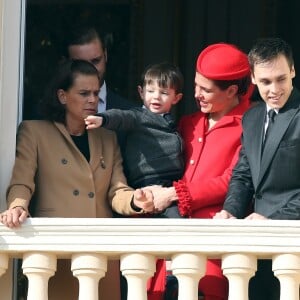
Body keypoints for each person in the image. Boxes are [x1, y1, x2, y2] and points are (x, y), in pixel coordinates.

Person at [0, 59, 154, 300]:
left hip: (100, 255)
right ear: (62, 96)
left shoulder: (107, 137)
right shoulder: (34, 131)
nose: (93, 100)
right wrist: (17, 206)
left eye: (95, 93)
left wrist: (136, 200)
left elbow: (117, 191)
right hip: (56, 252)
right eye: (84, 93)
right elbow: (22, 181)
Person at [145, 43, 253, 300]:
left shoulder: (250, 124)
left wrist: (174, 194)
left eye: (205, 89)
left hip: (213, 244)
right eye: (195, 85)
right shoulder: (187, 123)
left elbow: (233, 180)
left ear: (232, 90)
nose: (197, 94)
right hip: (170, 243)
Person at [214, 37, 300, 299]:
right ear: (252, 78)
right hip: (257, 247)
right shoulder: (251, 118)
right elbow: (244, 174)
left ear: (293, 70)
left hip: (293, 243)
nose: (274, 89)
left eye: (281, 79)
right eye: (265, 81)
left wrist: (274, 221)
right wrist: (230, 210)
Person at [85, 62, 184, 218]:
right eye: (151, 91)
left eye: (164, 93)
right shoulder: (139, 116)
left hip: (170, 187)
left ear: (176, 98)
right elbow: (122, 117)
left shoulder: (173, 124)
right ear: (141, 92)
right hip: (146, 185)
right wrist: (102, 119)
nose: (156, 96)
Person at [65, 25, 134, 112]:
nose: (90, 70)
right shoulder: (46, 115)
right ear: (67, 64)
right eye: (81, 64)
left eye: (95, 61)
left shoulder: (131, 114)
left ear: (105, 55)